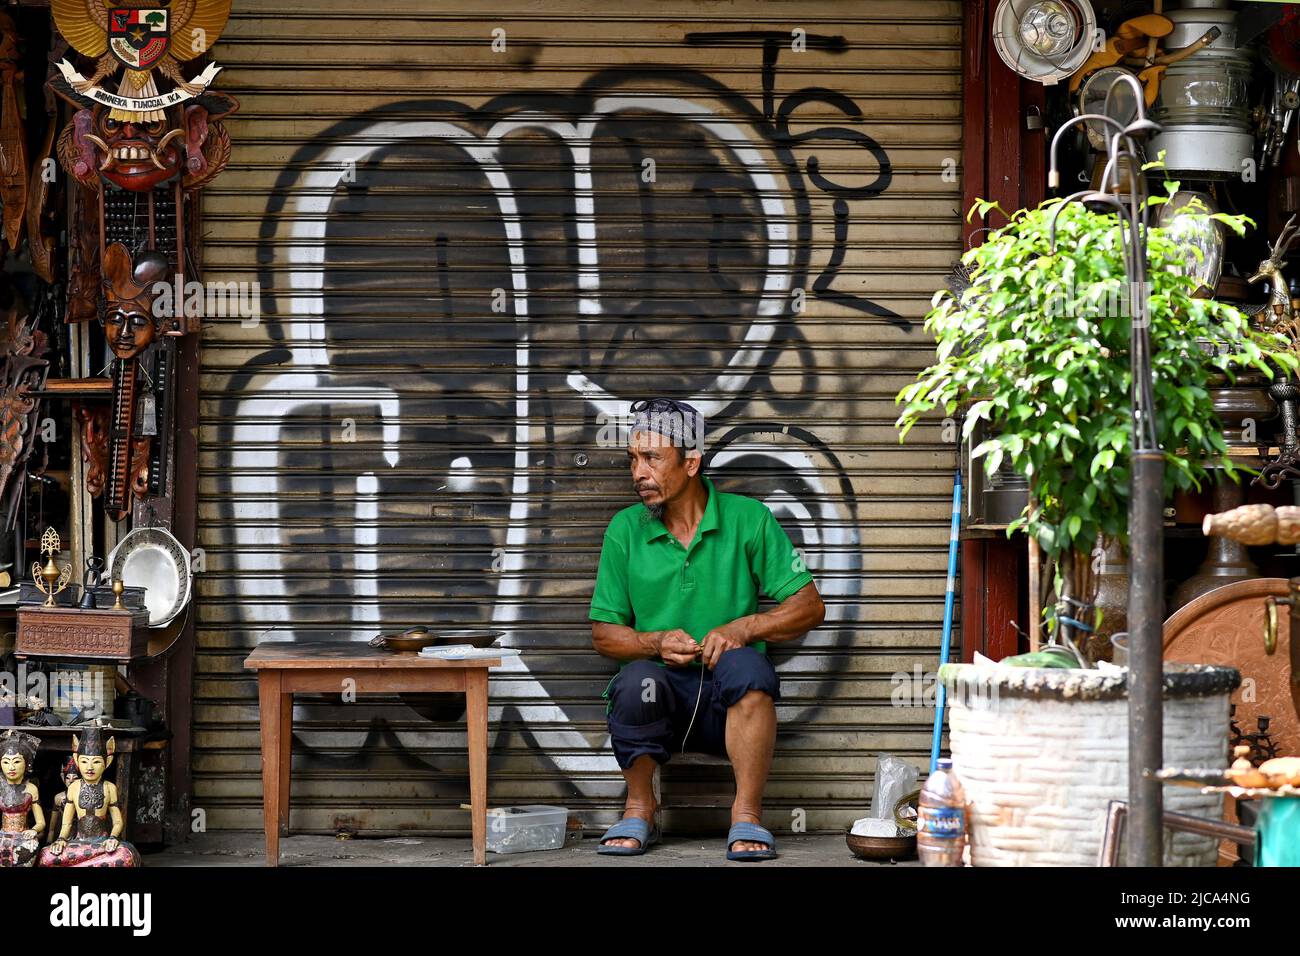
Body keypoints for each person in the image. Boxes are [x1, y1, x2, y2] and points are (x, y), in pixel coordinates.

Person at [589, 398, 825, 861]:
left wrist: (744, 626)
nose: (638, 472)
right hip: (664, 710)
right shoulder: (625, 529)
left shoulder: (748, 519)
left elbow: (809, 607)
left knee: (749, 669)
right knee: (637, 680)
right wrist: (653, 641)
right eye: (633, 459)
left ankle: (747, 815)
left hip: (727, 708)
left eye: (652, 458)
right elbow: (603, 634)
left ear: (692, 461)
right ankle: (640, 806)